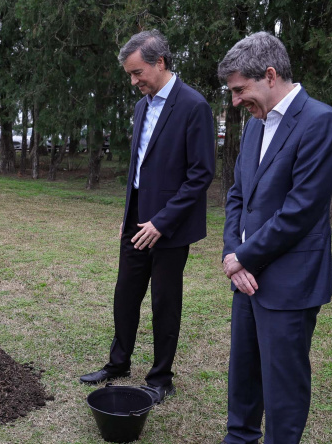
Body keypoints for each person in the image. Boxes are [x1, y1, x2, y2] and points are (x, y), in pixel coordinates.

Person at [189, 32, 332, 444]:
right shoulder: (256, 126)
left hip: (291, 279)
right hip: (248, 272)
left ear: (270, 76)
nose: (236, 103)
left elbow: (300, 210)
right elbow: (237, 195)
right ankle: (240, 438)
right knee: (245, 364)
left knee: (283, 377)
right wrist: (233, 255)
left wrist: (244, 257)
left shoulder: (320, 122)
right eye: (233, 93)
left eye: (240, 91)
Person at [79, 30, 214, 405]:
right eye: (129, 74)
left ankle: (161, 378)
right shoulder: (141, 107)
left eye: (138, 72)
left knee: (164, 302)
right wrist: (130, 213)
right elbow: (138, 166)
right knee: (126, 294)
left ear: (160, 63)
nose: (134, 81)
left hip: (170, 227)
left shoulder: (194, 106)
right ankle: (118, 364)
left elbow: (201, 174)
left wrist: (162, 222)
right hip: (137, 220)